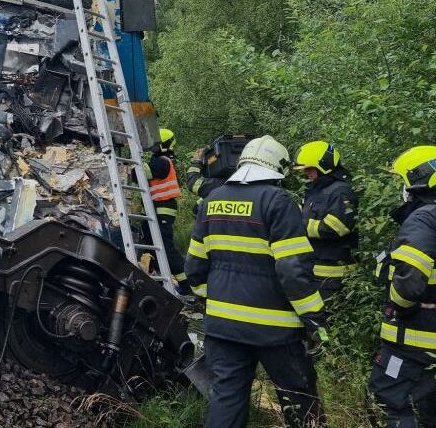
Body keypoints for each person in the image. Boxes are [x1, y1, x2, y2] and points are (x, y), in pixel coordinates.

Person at [185, 135, 327, 428]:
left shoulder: (212, 201)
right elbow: (292, 270)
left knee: (227, 398)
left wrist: (214, 300)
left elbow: (194, 267)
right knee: (299, 399)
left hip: (222, 326)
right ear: (278, 168)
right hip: (276, 330)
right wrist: (314, 316)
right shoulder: (278, 201)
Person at [368, 145, 436, 427]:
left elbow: (409, 283)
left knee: (391, 404)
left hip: (414, 344)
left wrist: (398, 303)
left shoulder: (423, 218)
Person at [294, 141, 359, 302]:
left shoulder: (341, 192)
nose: (306, 172)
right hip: (315, 271)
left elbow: (336, 227)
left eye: (310, 168)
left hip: (335, 275)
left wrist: (298, 225)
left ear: (324, 165)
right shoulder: (315, 190)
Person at [141, 128, 188, 290]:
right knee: (150, 242)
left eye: (154, 144)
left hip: (163, 208)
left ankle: (186, 283)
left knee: (165, 246)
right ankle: (158, 278)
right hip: (157, 208)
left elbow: (139, 174)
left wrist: (129, 166)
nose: (152, 147)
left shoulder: (162, 161)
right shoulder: (159, 159)